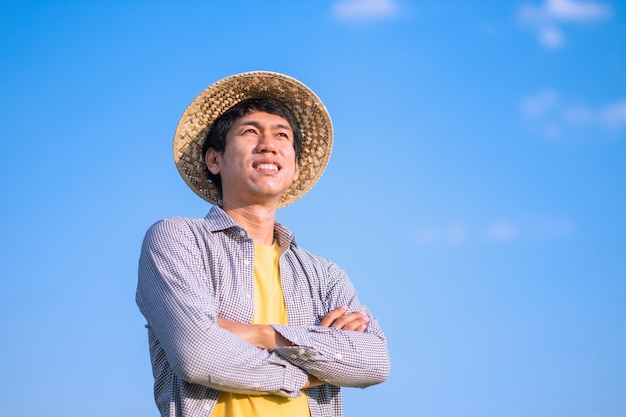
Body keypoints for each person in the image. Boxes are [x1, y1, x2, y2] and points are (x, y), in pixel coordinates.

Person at [136, 71, 390, 417]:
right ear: (214, 160)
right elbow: (197, 356)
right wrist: (312, 366)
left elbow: (374, 361)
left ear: (296, 167)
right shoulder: (179, 240)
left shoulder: (324, 276)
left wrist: (260, 334)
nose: (268, 144)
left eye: (281, 135)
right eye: (250, 131)